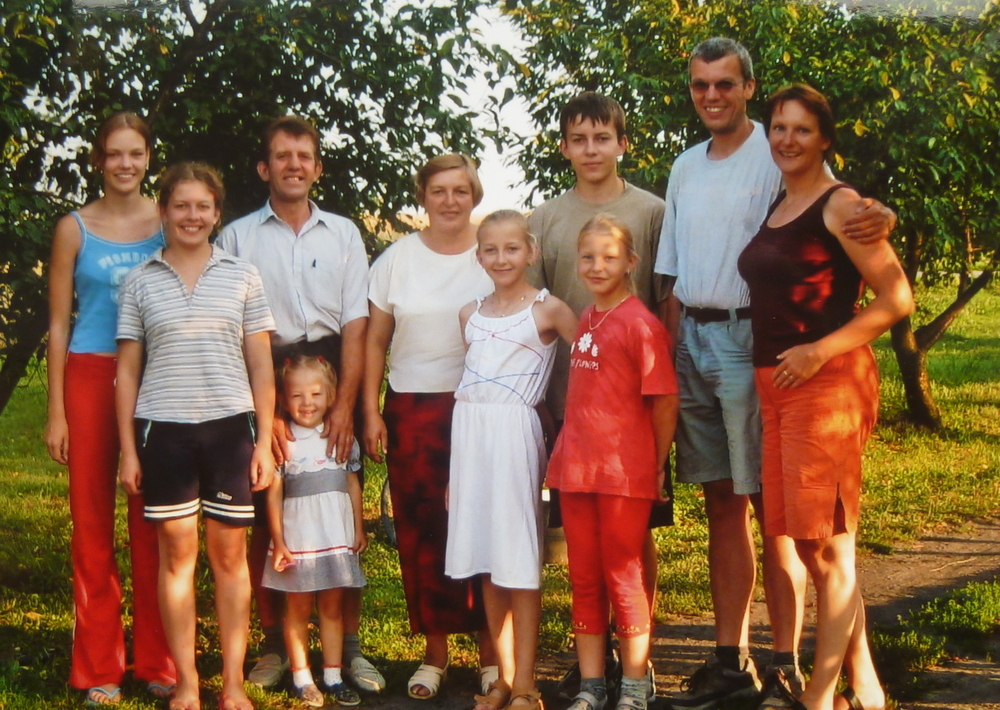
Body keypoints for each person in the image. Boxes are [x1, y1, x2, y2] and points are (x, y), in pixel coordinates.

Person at [653, 38, 896, 710]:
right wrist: (673, 350)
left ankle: (789, 667)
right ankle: (736, 661)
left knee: (787, 519)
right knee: (726, 509)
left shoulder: (775, 152)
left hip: (759, 345)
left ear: (749, 87)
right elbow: (671, 271)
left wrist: (885, 214)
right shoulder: (684, 167)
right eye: (700, 85)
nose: (712, 96)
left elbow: (843, 211)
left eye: (725, 84)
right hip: (702, 347)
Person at [737, 84, 912, 710]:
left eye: (802, 130)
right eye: (778, 128)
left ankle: (820, 695)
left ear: (826, 138)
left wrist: (820, 350)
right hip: (777, 390)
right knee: (810, 544)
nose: (786, 139)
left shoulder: (843, 206)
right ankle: (865, 684)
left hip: (826, 385)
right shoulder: (783, 201)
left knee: (832, 548)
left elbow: (898, 301)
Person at [215, 115, 381, 693]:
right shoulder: (237, 237)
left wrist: (346, 407)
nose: (293, 165)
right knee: (272, 508)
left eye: (303, 156)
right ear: (264, 168)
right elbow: (236, 327)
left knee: (337, 501)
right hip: (266, 371)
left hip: (334, 370)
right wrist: (267, 417)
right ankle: (274, 646)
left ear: (317, 166)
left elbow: (357, 324)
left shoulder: (344, 233)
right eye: (282, 156)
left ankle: (350, 647)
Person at [116, 162, 276, 710]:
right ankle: (187, 683)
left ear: (216, 213)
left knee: (229, 560)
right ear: (163, 211)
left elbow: (261, 367)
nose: (191, 215)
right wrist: (128, 449)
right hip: (164, 432)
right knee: (176, 560)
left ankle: (231, 683)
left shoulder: (243, 274)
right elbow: (128, 372)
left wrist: (261, 445)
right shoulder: (140, 280)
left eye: (202, 206)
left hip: (230, 430)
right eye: (180, 205)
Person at [526, 92, 669, 699]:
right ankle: (595, 667)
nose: (591, 149)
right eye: (578, 139)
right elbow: (533, 310)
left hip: (633, 419)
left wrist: (660, 442)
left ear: (621, 142)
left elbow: (666, 297)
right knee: (584, 560)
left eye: (602, 137)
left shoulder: (652, 211)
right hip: (572, 409)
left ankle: (640, 664)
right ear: (564, 147)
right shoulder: (545, 218)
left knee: (632, 546)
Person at [45, 111, 176, 706]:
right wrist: (55, 409)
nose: (126, 163)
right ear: (99, 160)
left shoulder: (167, 222)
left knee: (155, 517)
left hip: (154, 376)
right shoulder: (74, 228)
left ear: (150, 156)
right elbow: (56, 323)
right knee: (92, 524)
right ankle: (100, 663)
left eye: (136, 152)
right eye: (114, 153)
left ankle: (159, 660)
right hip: (90, 373)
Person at [363, 153, 497, 699]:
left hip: (481, 409)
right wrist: (371, 410)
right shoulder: (397, 259)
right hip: (412, 408)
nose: (449, 200)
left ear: (474, 196)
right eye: (438, 190)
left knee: (483, 528)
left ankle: (493, 653)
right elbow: (374, 339)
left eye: (460, 190)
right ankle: (435, 654)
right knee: (423, 531)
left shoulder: (493, 256)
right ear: (423, 196)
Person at [445, 210, 577, 710]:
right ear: (479, 256)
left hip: (515, 433)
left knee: (519, 560)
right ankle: (502, 678)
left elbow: (592, 358)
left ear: (531, 253)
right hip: (471, 434)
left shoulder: (548, 310)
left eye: (512, 249)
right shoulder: (468, 313)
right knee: (486, 557)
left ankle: (527, 682)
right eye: (491, 250)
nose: (502, 259)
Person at [547, 215, 678, 710]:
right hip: (576, 468)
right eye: (587, 257)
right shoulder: (585, 318)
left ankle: (636, 684)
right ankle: (592, 684)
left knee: (624, 574)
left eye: (608, 256)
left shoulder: (642, 325)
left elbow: (664, 400)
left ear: (631, 262)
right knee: (583, 574)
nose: (597, 266)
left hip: (624, 473)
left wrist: (658, 463)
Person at [262, 356, 366, 708]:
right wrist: (278, 541)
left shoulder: (340, 437)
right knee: (298, 609)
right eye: (296, 396)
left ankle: (333, 675)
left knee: (333, 607)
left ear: (332, 395)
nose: (307, 403)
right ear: (283, 399)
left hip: (335, 538)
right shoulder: (285, 442)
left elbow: (353, 485)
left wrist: (358, 528)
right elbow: (275, 494)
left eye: (316, 394)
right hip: (299, 540)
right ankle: (302, 677)